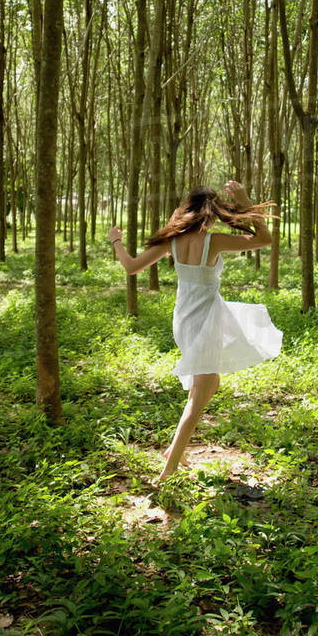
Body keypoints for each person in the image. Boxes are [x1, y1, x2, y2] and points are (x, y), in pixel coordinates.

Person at [108, 181, 282, 481]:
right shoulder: (213, 241)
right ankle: (169, 470)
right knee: (199, 396)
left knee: (209, 385)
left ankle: (175, 450)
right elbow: (265, 239)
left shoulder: (172, 241)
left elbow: (131, 267)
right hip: (206, 321)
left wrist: (116, 241)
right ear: (211, 212)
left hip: (184, 321)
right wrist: (244, 201)